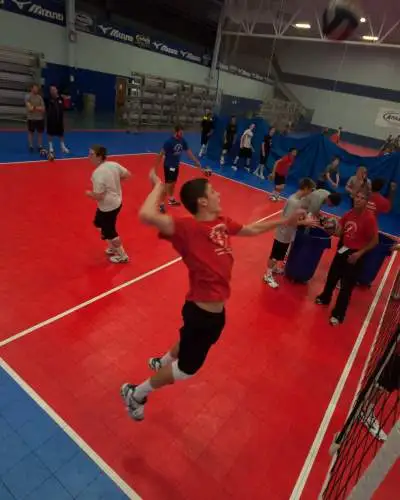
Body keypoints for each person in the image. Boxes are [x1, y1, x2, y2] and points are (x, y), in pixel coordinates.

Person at [120, 170, 311, 421]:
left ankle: (161, 361)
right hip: (201, 312)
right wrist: (158, 185)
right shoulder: (186, 227)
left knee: (188, 341)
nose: (218, 193)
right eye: (212, 192)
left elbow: (251, 230)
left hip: (215, 314)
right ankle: (137, 393)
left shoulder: (220, 221)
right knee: (187, 370)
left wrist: (285, 222)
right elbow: (146, 215)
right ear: (202, 201)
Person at [316, 191, 379, 326]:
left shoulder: (369, 219)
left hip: (356, 254)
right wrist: (331, 229)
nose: (358, 200)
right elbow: (340, 232)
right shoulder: (349, 214)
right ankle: (325, 297)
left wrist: (359, 254)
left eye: (362, 198)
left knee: (346, 286)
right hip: (343, 248)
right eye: (357, 196)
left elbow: (374, 241)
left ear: (366, 202)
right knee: (332, 276)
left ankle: (339, 314)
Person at [264, 178, 317, 289]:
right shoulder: (294, 202)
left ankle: (273, 269)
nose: (311, 192)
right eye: (311, 190)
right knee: (275, 255)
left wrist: (303, 214)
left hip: (287, 233)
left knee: (279, 254)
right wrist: (305, 222)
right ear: (306, 188)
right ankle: (267, 275)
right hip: (283, 232)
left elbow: (295, 214)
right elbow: (289, 221)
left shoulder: (297, 199)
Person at [85, 145, 130, 263]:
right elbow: (127, 174)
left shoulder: (97, 173)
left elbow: (98, 196)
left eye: (91, 155)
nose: (89, 157)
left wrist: (89, 194)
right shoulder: (113, 164)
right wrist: (114, 183)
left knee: (110, 231)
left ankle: (122, 255)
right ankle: (112, 246)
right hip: (116, 202)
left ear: (99, 157)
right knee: (98, 223)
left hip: (108, 207)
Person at [154, 124, 203, 213]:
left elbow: (188, 152)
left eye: (182, 132)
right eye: (180, 132)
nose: (182, 134)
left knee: (173, 183)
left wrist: (196, 161)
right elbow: (161, 154)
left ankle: (171, 199)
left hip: (176, 165)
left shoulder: (182, 140)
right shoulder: (169, 142)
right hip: (169, 166)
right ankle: (161, 204)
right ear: (176, 132)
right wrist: (155, 168)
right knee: (167, 185)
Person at [46, 85, 70, 156]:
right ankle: (50, 147)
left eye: (54, 89)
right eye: (51, 90)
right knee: (50, 133)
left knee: (61, 134)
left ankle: (63, 147)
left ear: (57, 90)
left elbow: (66, 107)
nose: (52, 91)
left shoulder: (61, 99)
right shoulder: (48, 99)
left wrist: (66, 98)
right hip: (51, 120)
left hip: (59, 120)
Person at [25, 83, 45, 153]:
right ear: (32, 88)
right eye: (35, 88)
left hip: (40, 118)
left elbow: (43, 109)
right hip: (31, 118)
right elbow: (30, 108)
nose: (36, 89)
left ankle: (39, 145)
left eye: (37, 88)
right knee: (31, 132)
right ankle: (31, 145)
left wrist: (34, 107)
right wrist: (38, 108)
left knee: (40, 133)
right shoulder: (28, 97)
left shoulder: (40, 97)